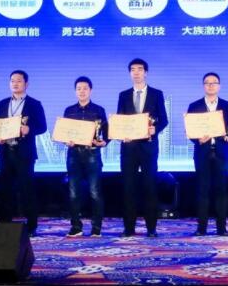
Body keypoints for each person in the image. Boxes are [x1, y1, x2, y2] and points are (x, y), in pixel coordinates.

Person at [116, 58, 169, 237]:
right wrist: (120, 132)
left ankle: (151, 229)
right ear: (130, 73)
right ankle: (128, 228)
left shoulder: (156, 94)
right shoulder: (123, 95)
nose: (136, 72)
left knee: (149, 188)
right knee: (128, 189)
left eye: (139, 69)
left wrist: (155, 129)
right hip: (129, 148)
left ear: (146, 72)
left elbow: (164, 120)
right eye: (133, 69)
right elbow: (120, 120)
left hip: (148, 148)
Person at [0, 70, 47, 236]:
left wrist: (29, 129)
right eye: (12, 81)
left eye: (18, 81)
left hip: (24, 153)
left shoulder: (34, 104)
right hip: (5, 152)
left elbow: (42, 126)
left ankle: (31, 226)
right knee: (5, 190)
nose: (15, 83)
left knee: (27, 190)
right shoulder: (2, 103)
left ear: (26, 84)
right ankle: (5, 224)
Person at [187, 72, 228, 236]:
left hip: (221, 153)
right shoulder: (194, 106)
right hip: (202, 152)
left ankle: (222, 228)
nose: (210, 85)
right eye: (207, 83)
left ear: (219, 86)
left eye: (214, 83)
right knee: (202, 190)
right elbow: (190, 130)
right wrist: (197, 139)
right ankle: (201, 228)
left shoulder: (227, 106)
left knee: (221, 190)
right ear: (203, 86)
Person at [63, 76, 108, 237]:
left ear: (90, 90)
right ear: (75, 91)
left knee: (95, 192)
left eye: (85, 88)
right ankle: (76, 227)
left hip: (92, 154)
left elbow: (107, 131)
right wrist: (66, 140)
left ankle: (96, 228)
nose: (82, 91)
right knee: (73, 193)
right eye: (79, 89)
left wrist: (104, 141)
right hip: (73, 155)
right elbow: (64, 131)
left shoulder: (98, 110)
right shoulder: (69, 111)